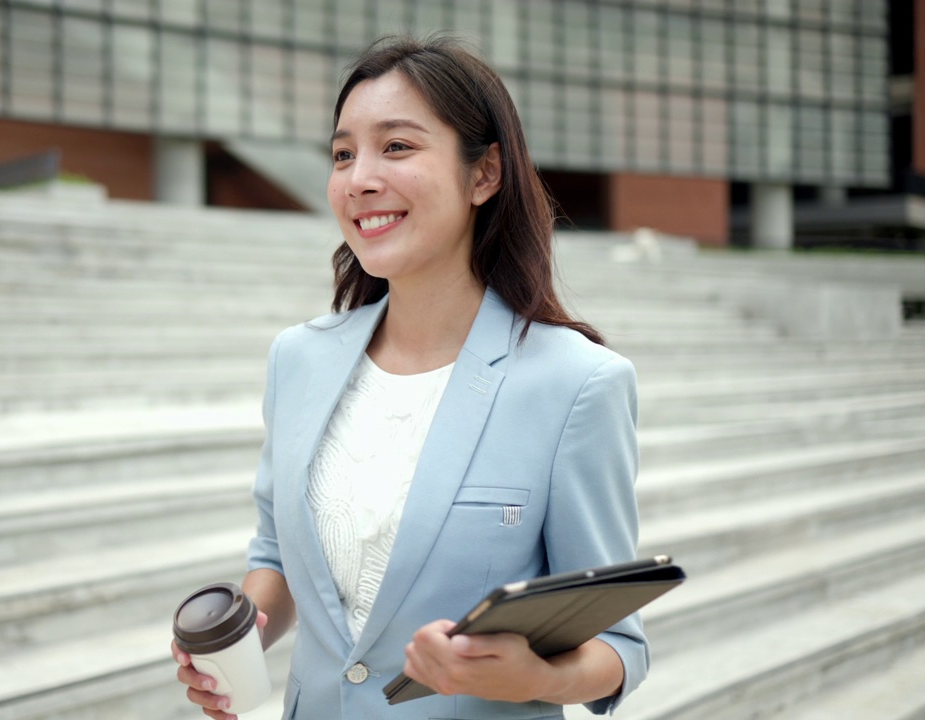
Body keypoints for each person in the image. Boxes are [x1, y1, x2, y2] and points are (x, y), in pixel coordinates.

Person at [172, 35, 645, 720]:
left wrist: (532, 678)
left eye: (396, 147)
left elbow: (618, 648)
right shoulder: (298, 359)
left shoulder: (578, 385)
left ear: (484, 175)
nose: (359, 177)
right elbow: (277, 552)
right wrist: (243, 635)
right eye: (342, 153)